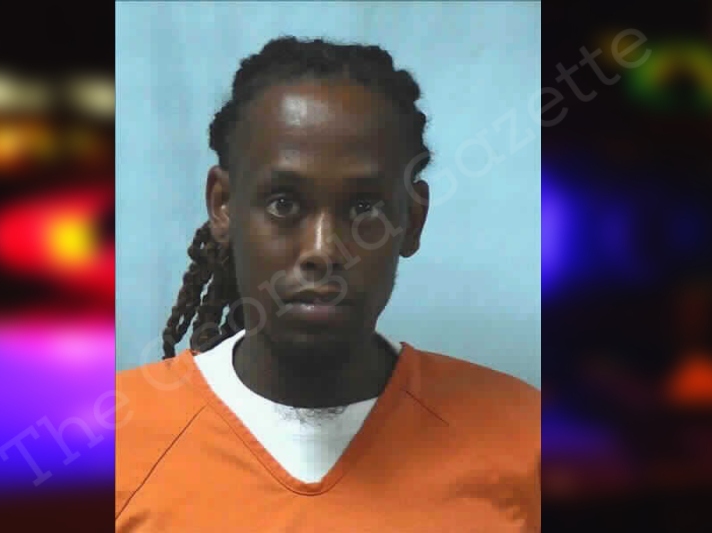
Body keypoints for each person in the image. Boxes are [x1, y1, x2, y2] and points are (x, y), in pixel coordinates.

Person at [116, 36, 540, 532]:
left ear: (412, 220)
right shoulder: (112, 445)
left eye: (363, 207)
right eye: (283, 203)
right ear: (223, 206)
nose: (322, 250)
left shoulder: (525, 438)